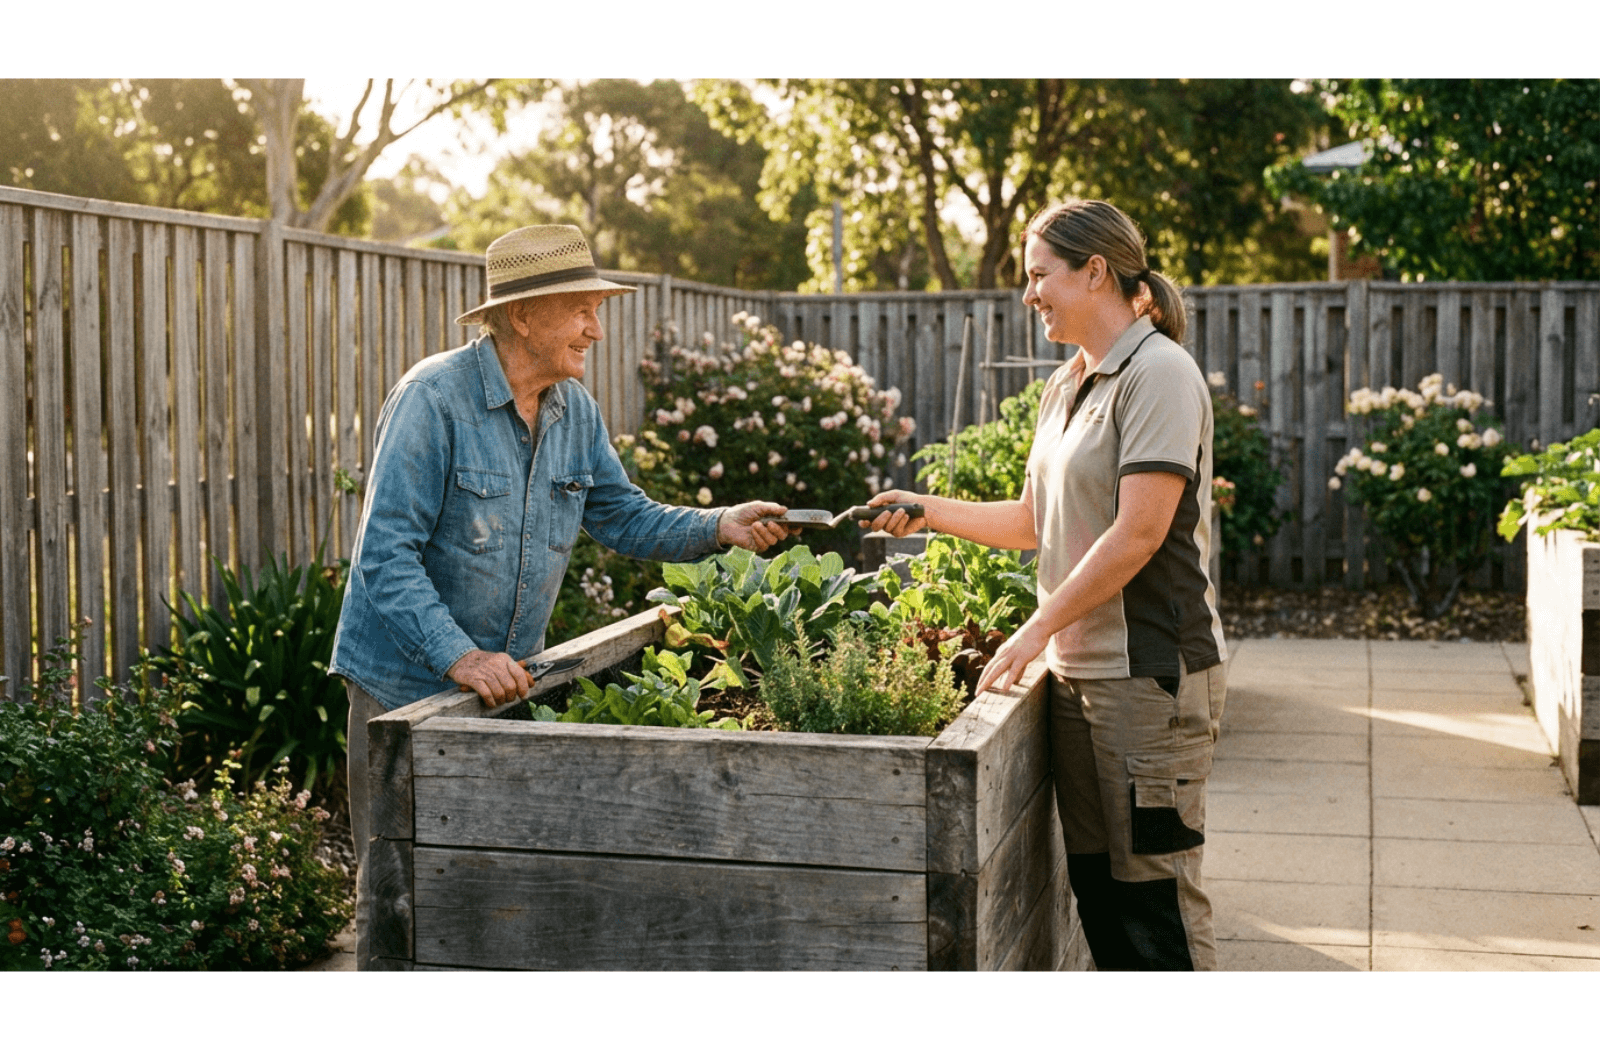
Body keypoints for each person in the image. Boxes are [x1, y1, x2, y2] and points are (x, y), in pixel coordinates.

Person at [329, 224, 794, 961]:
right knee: (401, 901)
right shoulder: (433, 400)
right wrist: (461, 657)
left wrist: (720, 525)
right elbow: (383, 557)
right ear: (521, 315)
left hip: (499, 692)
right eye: (580, 308)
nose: (596, 329)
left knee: (485, 897)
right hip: (404, 692)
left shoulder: (573, 412)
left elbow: (625, 515)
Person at [867, 199, 1226, 971]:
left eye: (1039, 276)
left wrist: (1032, 630)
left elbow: (1138, 532)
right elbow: (1037, 520)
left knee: (1153, 902)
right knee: (1099, 895)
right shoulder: (1068, 385)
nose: (1028, 294)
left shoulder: (1159, 371)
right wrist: (924, 508)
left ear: (1094, 271)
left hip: (1148, 676)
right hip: (1078, 675)